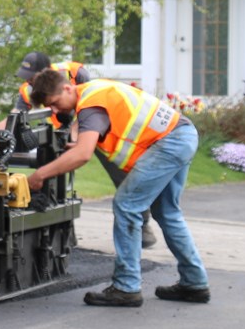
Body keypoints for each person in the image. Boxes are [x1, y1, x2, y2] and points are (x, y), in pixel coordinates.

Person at [26, 69, 209, 307]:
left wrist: (39, 175)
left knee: (127, 206)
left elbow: (83, 154)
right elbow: (94, 126)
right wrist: (77, 132)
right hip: (181, 133)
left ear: (68, 89)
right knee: (167, 213)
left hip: (169, 143)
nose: (55, 111)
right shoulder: (94, 91)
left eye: (55, 104)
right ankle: (194, 283)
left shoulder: (90, 106)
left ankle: (126, 287)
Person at [13, 51, 159, 250]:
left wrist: (76, 134)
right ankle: (57, 227)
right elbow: (14, 116)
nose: (29, 81)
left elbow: (88, 103)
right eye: (26, 77)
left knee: (121, 174)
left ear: (47, 72)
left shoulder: (75, 73)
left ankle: (142, 225)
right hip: (61, 134)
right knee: (51, 169)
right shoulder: (29, 91)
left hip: (96, 130)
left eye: (32, 77)